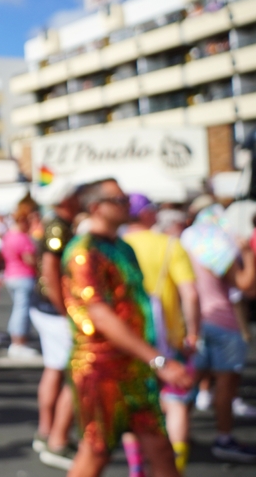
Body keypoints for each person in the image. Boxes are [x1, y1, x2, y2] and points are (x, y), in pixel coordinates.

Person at [63, 179, 190, 477]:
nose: (126, 205)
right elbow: (101, 316)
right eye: (118, 200)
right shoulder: (83, 252)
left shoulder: (122, 247)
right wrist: (158, 360)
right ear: (96, 208)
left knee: (160, 447)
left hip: (135, 366)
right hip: (100, 367)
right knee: (97, 452)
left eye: (125, 199)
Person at [122, 194, 200, 473]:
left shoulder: (117, 247)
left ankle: (136, 469)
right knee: (176, 403)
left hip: (129, 341)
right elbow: (190, 294)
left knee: (135, 407)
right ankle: (174, 467)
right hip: (168, 341)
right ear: (145, 214)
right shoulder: (169, 244)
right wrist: (193, 333)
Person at [181, 202, 256, 463]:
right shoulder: (219, 246)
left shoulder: (187, 242)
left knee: (188, 382)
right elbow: (247, 285)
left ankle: (177, 431)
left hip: (196, 323)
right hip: (224, 322)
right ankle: (224, 438)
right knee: (226, 384)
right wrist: (247, 254)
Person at [29, 181, 80, 470]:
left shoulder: (55, 223)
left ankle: (47, 431)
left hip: (48, 306)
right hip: (54, 308)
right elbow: (50, 266)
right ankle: (56, 439)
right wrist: (65, 309)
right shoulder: (57, 225)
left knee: (55, 368)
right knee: (73, 371)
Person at [0, 200, 39, 358]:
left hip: (11, 275)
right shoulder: (22, 237)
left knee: (18, 309)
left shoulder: (9, 235)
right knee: (22, 311)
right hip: (23, 276)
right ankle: (18, 342)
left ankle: (17, 341)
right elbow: (29, 258)